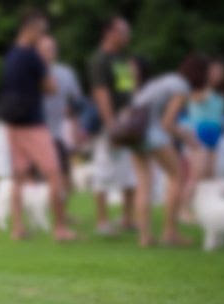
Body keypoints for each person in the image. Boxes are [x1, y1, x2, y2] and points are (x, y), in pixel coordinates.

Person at [0, 10, 75, 241]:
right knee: (54, 172)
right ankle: (60, 227)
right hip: (33, 123)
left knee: (19, 176)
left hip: (13, 123)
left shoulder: (12, 55)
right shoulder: (32, 56)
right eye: (41, 31)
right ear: (31, 29)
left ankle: (18, 227)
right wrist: (45, 66)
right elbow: (51, 87)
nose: (43, 35)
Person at [130, 54, 209, 246]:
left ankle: (145, 236)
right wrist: (189, 138)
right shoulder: (180, 87)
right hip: (151, 133)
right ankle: (170, 233)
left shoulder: (165, 80)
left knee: (144, 183)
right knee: (177, 176)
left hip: (132, 131)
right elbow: (167, 123)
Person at [87, 16, 137, 234]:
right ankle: (102, 221)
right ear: (109, 33)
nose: (127, 36)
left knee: (129, 172)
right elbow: (101, 92)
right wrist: (111, 125)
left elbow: (128, 92)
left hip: (126, 121)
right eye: (123, 31)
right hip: (109, 125)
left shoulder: (121, 60)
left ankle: (127, 218)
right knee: (104, 170)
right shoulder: (100, 59)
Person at [181, 57, 224, 221]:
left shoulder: (221, 94)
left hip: (215, 135)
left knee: (210, 176)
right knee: (196, 175)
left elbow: (218, 115)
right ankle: (183, 209)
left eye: (221, 71)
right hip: (199, 134)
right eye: (214, 71)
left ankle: (205, 208)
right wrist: (207, 86)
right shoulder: (199, 90)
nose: (218, 74)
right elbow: (195, 100)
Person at [38, 34, 83, 191]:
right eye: (44, 49)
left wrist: (76, 127)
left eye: (51, 49)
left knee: (66, 178)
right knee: (39, 179)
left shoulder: (66, 74)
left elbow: (76, 101)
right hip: (35, 132)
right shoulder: (30, 72)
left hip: (57, 132)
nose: (48, 53)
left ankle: (61, 212)